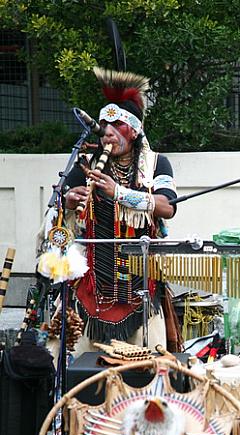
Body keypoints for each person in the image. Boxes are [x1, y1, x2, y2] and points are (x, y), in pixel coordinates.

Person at [62, 67, 181, 354]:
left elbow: (167, 207)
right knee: (83, 370)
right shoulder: (86, 166)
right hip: (91, 288)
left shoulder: (156, 165)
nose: (109, 135)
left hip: (141, 289)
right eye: (104, 127)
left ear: (135, 130)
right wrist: (67, 202)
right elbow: (58, 219)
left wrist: (119, 193)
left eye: (118, 127)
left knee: (150, 365)